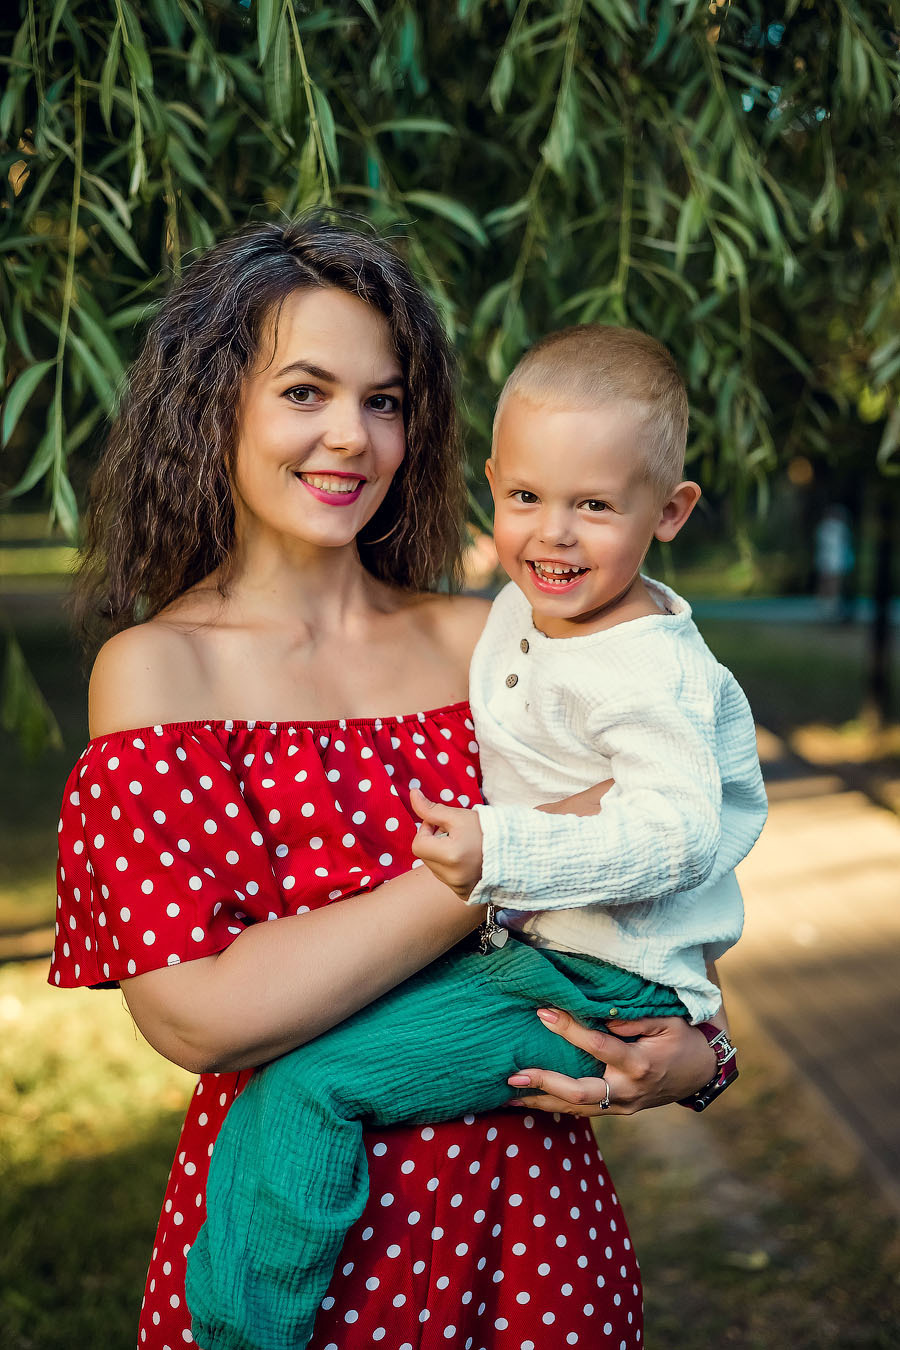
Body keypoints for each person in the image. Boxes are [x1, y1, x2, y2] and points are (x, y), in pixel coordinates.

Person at [49, 218, 726, 1350]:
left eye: (385, 400)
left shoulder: (496, 641)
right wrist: (508, 859)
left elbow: (663, 849)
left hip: (537, 1232)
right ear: (216, 404)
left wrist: (697, 1056)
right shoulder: (161, 670)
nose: (351, 438)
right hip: (307, 1254)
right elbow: (201, 1012)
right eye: (306, 392)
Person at [186, 324, 767, 1350]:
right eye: (529, 498)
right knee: (310, 1079)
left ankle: (243, 1332)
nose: (555, 535)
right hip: (545, 964)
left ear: (670, 512)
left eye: (596, 505)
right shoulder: (513, 617)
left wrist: (506, 854)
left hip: (584, 980)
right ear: (491, 485)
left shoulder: (647, 666)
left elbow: (682, 831)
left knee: (315, 1086)